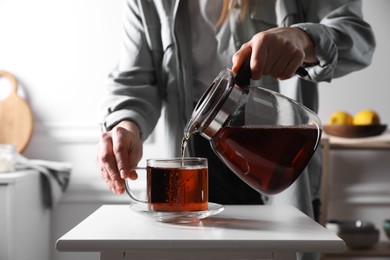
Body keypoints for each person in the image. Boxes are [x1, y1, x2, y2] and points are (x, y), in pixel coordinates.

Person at [97, 0, 375, 225]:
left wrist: (301, 38)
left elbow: (357, 38)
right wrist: (125, 125)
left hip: (276, 159)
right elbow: (134, 80)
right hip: (194, 162)